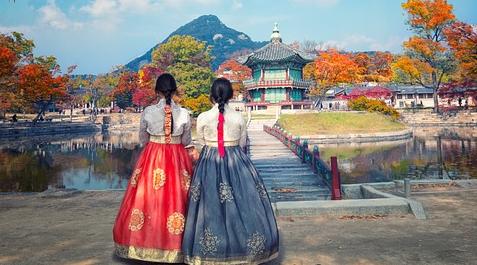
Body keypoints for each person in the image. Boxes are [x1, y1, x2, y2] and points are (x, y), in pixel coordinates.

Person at [182, 78, 279, 264]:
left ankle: (209, 252)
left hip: (209, 162)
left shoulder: (202, 117)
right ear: (231, 95)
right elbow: (242, 144)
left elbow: (200, 144)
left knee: (208, 206)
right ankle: (243, 249)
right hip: (237, 162)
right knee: (244, 204)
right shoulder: (239, 117)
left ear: (211, 95)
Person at [113, 73, 193, 263]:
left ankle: (143, 244)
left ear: (156, 91)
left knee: (146, 196)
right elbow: (186, 141)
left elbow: (142, 139)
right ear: (174, 91)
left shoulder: (148, 111)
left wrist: (155, 142)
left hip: (153, 156)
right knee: (178, 197)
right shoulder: (184, 113)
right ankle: (177, 246)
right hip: (176, 157)